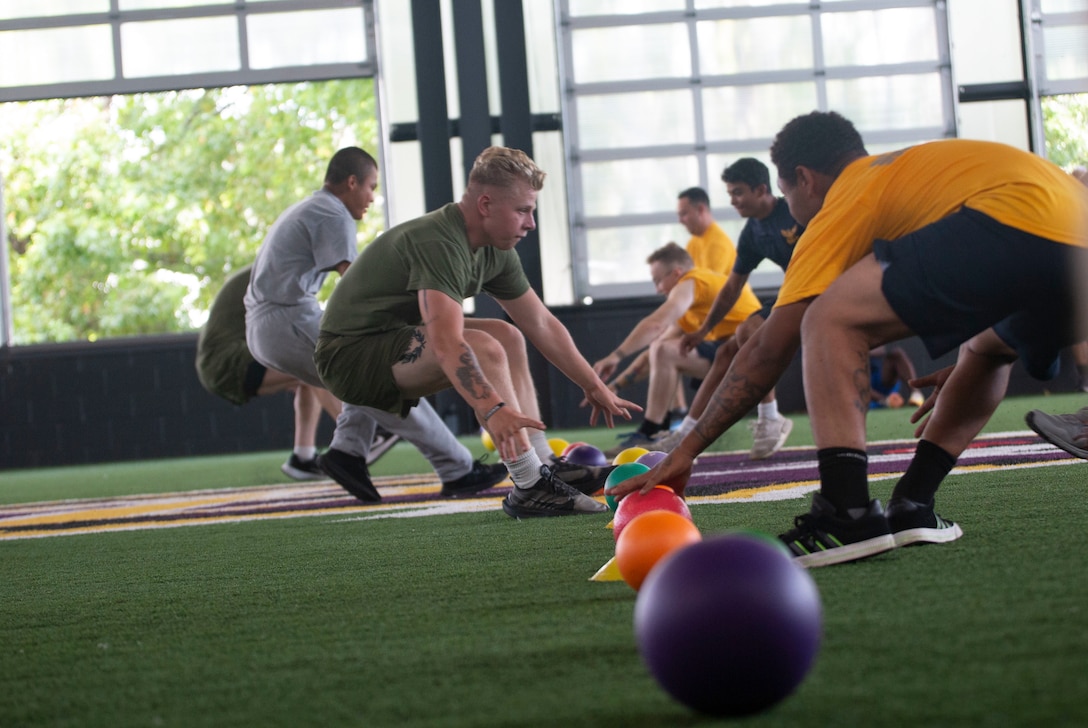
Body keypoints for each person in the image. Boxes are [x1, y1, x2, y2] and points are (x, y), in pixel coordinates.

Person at [609, 111, 1088, 567]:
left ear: (805, 179)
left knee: (828, 317)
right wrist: (967, 367)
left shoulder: (850, 192)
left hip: (1017, 223)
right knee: (986, 350)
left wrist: (686, 448)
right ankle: (913, 504)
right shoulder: (916, 169)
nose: (791, 209)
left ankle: (846, 512)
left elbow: (768, 348)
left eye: (785, 193)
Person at [314, 146, 641, 518]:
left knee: (507, 335)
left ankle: (543, 463)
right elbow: (446, 342)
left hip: (392, 336)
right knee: (484, 346)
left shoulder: (496, 250)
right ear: (486, 204)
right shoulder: (440, 242)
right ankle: (530, 484)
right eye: (523, 210)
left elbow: (540, 322)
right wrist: (493, 409)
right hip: (347, 356)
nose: (531, 223)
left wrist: (593, 385)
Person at [244, 147, 508, 503]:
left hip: (273, 322)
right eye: (371, 186)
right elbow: (356, 284)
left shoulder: (313, 207)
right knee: (387, 374)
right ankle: (457, 469)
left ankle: (348, 452)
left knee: (364, 376)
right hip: (286, 319)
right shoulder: (332, 212)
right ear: (352, 182)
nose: (372, 197)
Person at [195, 265, 400, 480]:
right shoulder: (277, 273)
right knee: (313, 363)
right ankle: (360, 436)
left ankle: (303, 457)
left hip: (221, 362)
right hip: (226, 362)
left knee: (307, 374)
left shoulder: (271, 271)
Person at [658, 157, 801, 458]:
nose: (732, 201)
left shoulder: (795, 210)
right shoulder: (752, 233)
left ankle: (770, 417)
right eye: (730, 193)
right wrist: (703, 331)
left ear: (761, 190)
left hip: (822, 289)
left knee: (748, 330)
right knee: (726, 353)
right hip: (794, 292)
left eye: (738, 192)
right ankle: (686, 433)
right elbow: (731, 288)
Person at [593, 242, 761, 457]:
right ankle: (660, 428)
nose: (657, 289)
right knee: (662, 349)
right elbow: (653, 354)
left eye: (658, 280)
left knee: (665, 350)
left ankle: (651, 432)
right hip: (734, 352)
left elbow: (655, 325)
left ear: (676, 273)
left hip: (755, 353)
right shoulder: (694, 305)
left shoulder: (692, 281)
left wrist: (615, 356)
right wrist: (613, 387)